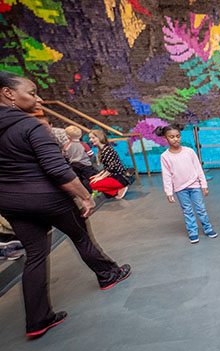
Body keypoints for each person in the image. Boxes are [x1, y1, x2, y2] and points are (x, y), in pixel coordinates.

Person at [0, 71, 131, 337]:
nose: (38, 98)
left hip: (11, 203)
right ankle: (108, 275)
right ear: (9, 93)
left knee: (34, 255)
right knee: (81, 236)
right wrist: (84, 196)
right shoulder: (30, 126)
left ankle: (38, 320)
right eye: (32, 92)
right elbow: (57, 169)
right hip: (47, 198)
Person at [156, 124, 217, 244]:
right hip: (180, 189)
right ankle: (192, 232)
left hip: (195, 185)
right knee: (187, 210)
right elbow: (167, 175)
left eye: (178, 136)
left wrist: (203, 184)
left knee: (201, 209)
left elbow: (198, 168)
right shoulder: (165, 156)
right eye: (172, 137)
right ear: (165, 138)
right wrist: (169, 191)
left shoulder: (189, 151)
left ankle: (207, 228)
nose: (175, 139)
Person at [89, 129, 130, 199]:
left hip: (118, 177)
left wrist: (100, 177)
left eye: (93, 138)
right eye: (90, 138)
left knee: (92, 184)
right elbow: (107, 167)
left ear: (99, 138)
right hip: (113, 176)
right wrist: (98, 176)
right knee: (91, 180)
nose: (90, 140)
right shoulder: (103, 150)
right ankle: (115, 191)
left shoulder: (108, 150)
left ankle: (119, 188)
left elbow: (112, 168)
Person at [64, 126, 97, 193]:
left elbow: (65, 156)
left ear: (68, 136)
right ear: (80, 135)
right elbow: (91, 154)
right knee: (88, 178)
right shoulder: (84, 145)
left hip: (73, 165)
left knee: (79, 179)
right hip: (85, 165)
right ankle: (92, 191)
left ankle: (82, 191)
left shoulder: (66, 145)